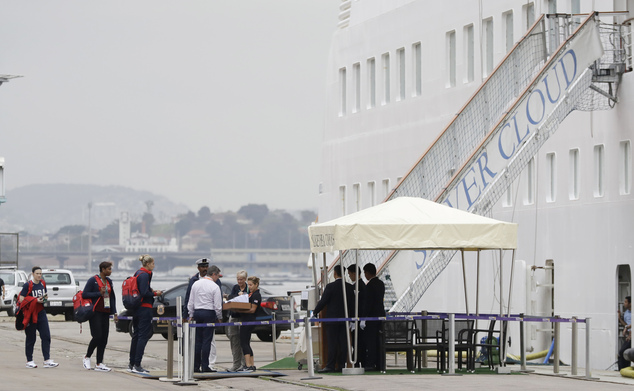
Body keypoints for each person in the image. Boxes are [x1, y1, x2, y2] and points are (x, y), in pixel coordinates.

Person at [313, 265, 354, 373]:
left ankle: (330, 365)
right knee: (343, 343)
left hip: (332, 319)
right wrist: (352, 319)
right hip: (345, 319)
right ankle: (341, 365)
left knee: (332, 343)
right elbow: (352, 304)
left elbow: (323, 301)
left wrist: (315, 312)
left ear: (335, 273)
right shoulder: (349, 287)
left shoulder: (330, 287)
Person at [128, 254, 162, 374]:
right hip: (144, 308)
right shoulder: (144, 275)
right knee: (143, 336)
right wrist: (155, 294)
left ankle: (131, 363)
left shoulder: (137, 273)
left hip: (137, 309)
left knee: (136, 335)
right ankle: (137, 364)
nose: (154, 265)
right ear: (147, 264)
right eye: (153, 263)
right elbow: (143, 292)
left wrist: (150, 290)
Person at [19, 266, 59, 369]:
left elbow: (45, 295)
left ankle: (47, 360)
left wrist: (44, 299)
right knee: (31, 338)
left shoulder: (43, 283)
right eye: (37, 273)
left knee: (46, 336)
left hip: (41, 313)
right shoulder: (28, 285)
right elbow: (21, 298)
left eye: (40, 274)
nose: (39, 275)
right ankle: (29, 360)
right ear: (32, 274)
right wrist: (35, 300)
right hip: (31, 314)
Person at [82, 261, 118, 371]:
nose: (110, 271)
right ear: (103, 269)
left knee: (104, 338)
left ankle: (99, 363)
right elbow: (85, 294)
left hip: (105, 312)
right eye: (109, 269)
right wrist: (99, 293)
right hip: (95, 312)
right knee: (97, 336)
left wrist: (114, 312)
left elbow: (112, 297)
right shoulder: (93, 280)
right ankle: (87, 357)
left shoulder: (109, 281)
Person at [187, 265, 223, 373]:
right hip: (209, 313)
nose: (218, 278)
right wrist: (219, 317)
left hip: (197, 312)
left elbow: (191, 302)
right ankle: (205, 366)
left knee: (197, 341)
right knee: (207, 341)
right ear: (213, 274)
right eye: (217, 276)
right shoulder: (214, 286)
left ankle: (195, 366)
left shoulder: (196, 283)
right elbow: (217, 305)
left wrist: (191, 314)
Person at [235, 276, 267, 372]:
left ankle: (248, 365)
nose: (249, 287)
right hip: (246, 320)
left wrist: (241, 310)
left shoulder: (256, 295)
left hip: (249, 320)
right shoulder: (250, 294)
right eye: (248, 285)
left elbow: (253, 310)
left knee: (244, 343)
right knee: (246, 343)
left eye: (251, 285)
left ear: (256, 285)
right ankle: (251, 365)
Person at [363, 263, 385, 372]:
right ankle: (380, 363)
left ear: (367, 272)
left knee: (371, 341)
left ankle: (370, 363)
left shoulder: (369, 286)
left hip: (372, 317)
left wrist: (364, 317)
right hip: (381, 315)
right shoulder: (381, 284)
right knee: (379, 340)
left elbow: (368, 303)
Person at [227, 270, 248, 372]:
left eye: (241, 279)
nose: (239, 281)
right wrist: (238, 296)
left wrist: (243, 296)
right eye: (238, 279)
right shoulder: (235, 287)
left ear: (245, 279)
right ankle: (236, 364)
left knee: (243, 341)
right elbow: (230, 297)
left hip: (244, 317)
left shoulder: (248, 288)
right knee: (234, 340)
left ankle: (244, 364)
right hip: (234, 316)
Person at [347, 264, 366, 367]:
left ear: (354, 274)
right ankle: (358, 361)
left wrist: (356, 320)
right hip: (357, 319)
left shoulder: (358, 287)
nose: (349, 276)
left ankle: (357, 361)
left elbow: (358, 304)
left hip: (358, 319)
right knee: (358, 343)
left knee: (357, 343)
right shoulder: (360, 285)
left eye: (350, 274)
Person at [619, 296, 632, 370]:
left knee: (623, 351)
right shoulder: (626, 313)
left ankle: (623, 369)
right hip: (629, 335)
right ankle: (623, 369)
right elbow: (625, 324)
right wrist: (619, 318)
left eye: (626, 302)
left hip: (631, 335)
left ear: (630, 303)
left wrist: (627, 328)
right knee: (623, 352)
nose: (624, 303)